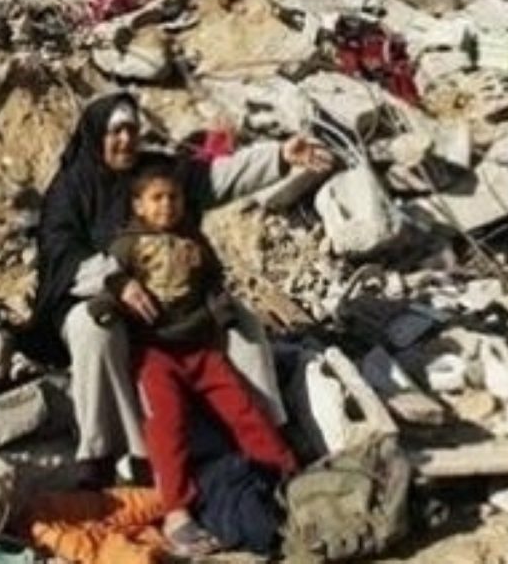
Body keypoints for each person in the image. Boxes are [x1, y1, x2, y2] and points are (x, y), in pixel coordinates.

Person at [21, 91, 330, 488]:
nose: (126, 140)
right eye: (116, 131)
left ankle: (273, 431)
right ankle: (102, 452)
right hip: (96, 293)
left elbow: (217, 178)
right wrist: (117, 281)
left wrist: (279, 157)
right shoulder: (70, 189)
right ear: (97, 133)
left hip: (175, 296)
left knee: (243, 325)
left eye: (132, 129)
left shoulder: (155, 171)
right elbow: (61, 253)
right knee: (92, 329)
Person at [92, 161, 296, 555]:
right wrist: (109, 302)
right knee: (166, 426)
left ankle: (284, 471)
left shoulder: (194, 241)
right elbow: (110, 280)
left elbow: (213, 281)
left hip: (201, 349)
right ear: (139, 205)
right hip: (155, 353)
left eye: (174, 197)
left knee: (242, 409)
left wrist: (221, 310)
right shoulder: (127, 245)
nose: (167, 205)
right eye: (157, 198)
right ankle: (176, 511)